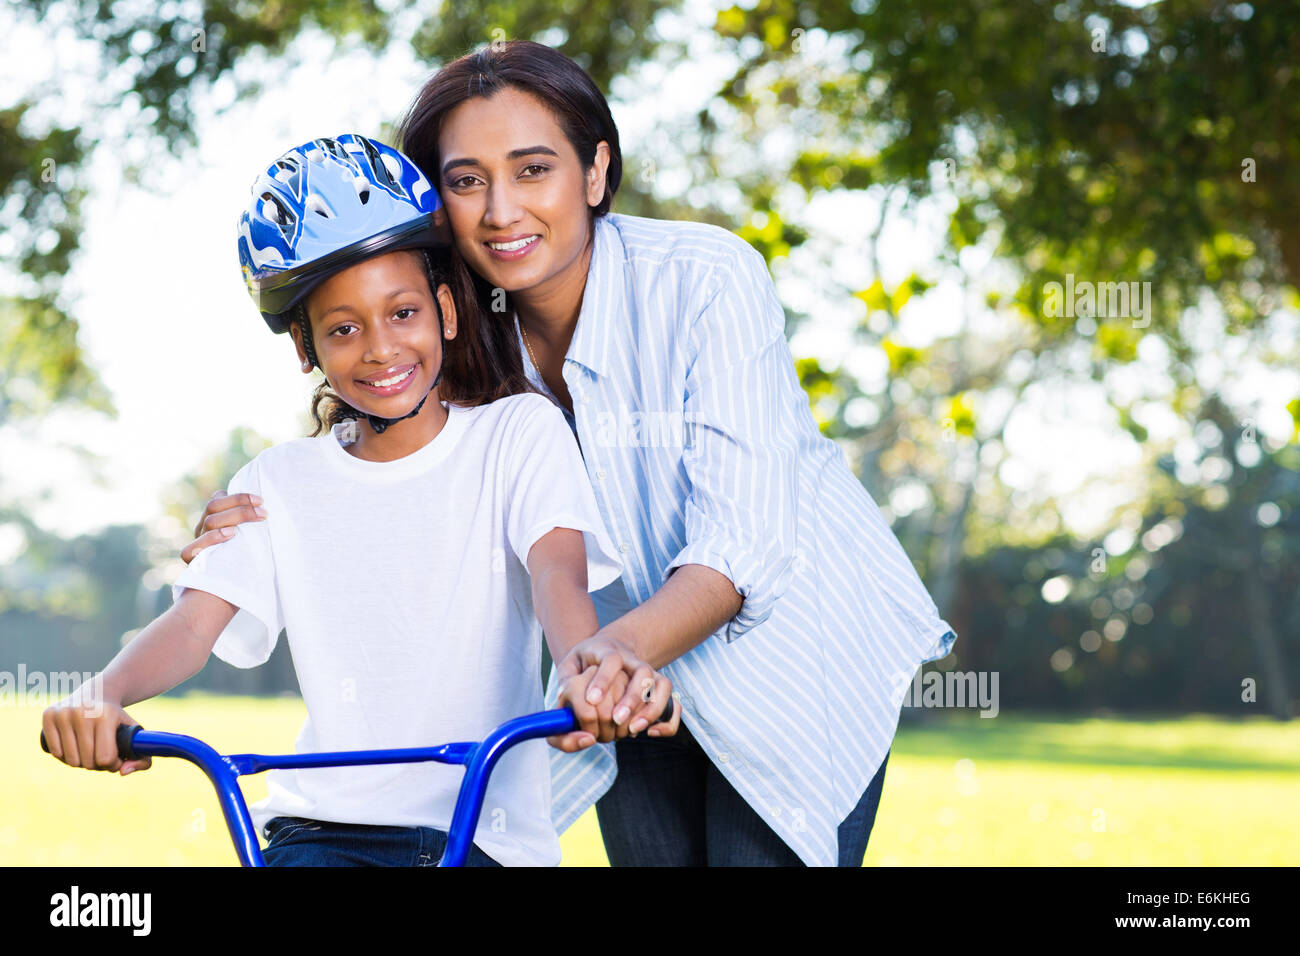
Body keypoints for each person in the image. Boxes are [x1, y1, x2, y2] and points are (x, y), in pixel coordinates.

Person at [191, 42, 959, 867]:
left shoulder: (705, 279)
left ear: (594, 173)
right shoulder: (457, 340)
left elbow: (746, 545)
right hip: (614, 682)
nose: (500, 211)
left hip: (788, 660)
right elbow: (400, 469)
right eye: (465, 180)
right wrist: (263, 520)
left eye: (532, 169)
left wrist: (611, 658)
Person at [41, 132, 678, 868]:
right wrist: (102, 691)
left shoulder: (516, 435)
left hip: (482, 837)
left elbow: (556, 575)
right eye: (343, 329)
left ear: (445, 309)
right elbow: (191, 626)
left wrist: (582, 673)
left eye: (402, 313)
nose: (379, 348)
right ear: (306, 350)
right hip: (320, 833)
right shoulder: (273, 484)